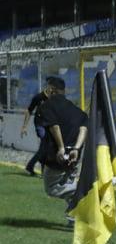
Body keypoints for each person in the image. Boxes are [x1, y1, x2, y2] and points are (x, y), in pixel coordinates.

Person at [36, 77, 88, 225]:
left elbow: (54, 126)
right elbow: (84, 127)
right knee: (68, 184)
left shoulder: (46, 106)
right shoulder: (75, 109)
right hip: (74, 155)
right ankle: (74, 218)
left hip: (58, 156)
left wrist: (60, 148)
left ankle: (84, 192)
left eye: (47, 88)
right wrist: (77, 148)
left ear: (51, 90)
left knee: (52, 188)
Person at [20, 77, 53, 175]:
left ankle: (32, 167)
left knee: (44, 148)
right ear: (47, 85)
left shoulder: (55, 99)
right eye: (51, 86)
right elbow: (29, 110)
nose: (52, 89)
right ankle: (37, 168)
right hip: (40, 125)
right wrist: (24, 126)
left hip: (50, 126)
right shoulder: (38, 97)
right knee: (45, 142)